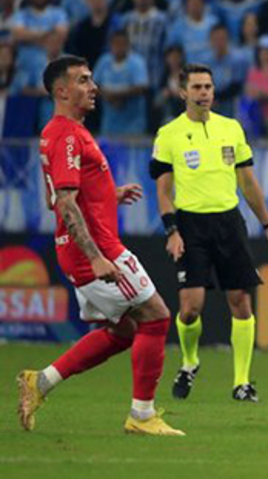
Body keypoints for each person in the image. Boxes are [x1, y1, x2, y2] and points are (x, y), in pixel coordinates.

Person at [18, 55, 183, 436]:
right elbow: (64, 201)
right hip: (98, 250)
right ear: (61, 91)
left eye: (92, 80)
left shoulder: (59, 132)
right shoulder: (68, 136)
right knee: (156, 317)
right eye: (83, 81)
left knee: (124, 331)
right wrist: (95, 257)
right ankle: (142, 416)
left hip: (83, 247)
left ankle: (40, 382)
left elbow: (55, 195)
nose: (94, 87)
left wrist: (109, 194)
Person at [150, 63, 268, 403]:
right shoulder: (169, 134)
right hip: (191, 225)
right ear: (183, 92)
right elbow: (164, 191)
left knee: (241, 301)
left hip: (229, 223)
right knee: (190, 308)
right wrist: (172, 230)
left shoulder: (231, 129)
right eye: (196, 87)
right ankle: (190, 361)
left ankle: (241, 383)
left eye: (208, 87)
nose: (204, 93)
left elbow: (249, 184)